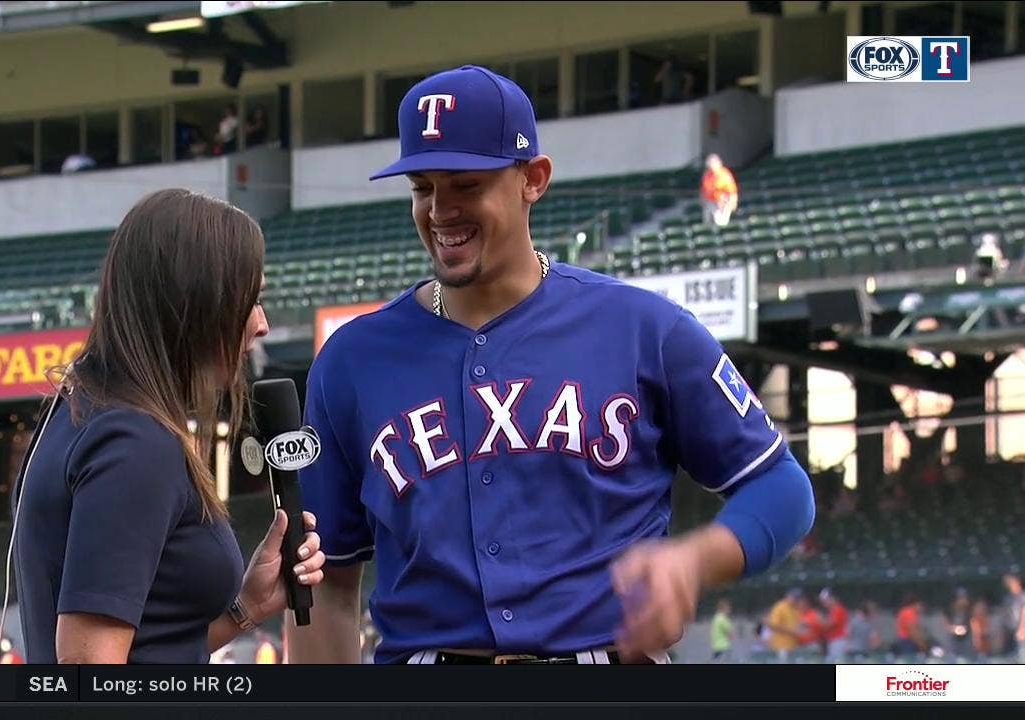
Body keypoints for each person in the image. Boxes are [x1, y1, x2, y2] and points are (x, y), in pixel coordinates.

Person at [285, 65, 815, 666]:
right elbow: (322, 582)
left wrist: (695, 559)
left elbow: (783, 488)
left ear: (533, 179)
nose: (440, 211)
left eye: (464, 184)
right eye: (423, 187)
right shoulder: (352, 360)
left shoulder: (645, 329)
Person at [11, 189, 327, 663]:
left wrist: (247, 608)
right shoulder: (134, 443)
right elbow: (88, 668)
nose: (260, 324)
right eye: (250, 300)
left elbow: (151, 656)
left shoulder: (83, 412)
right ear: (196, 303)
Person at [766, 589, 804, 662]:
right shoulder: (780, 607)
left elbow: (797, 625)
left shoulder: (796, 609)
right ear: (788, 596)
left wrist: (802, 628)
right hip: (781, 646)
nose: (796, 600)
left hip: (793, 645)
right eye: (794, 597)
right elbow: (773, 625)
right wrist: (791, 631)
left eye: (798, 598)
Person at [700, 153, 738, 227]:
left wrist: (733, 202)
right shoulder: (707, 175)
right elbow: (703, 190)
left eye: (713, 163)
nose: (711, 165)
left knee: (720, 223)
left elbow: (732, 192)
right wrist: (703, 201)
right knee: (707, 223)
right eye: (710, 163)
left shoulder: (725, 175)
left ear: (719, 163)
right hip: (710, 202)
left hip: (722, 203)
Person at [819, 588, 850, 663]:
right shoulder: (833, 610)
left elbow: (830, 625)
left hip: (838, 642)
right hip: (834, 642)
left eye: (825, 600)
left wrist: (818, 621)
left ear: (832, 599)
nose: (824, 603)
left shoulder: (838, 609)